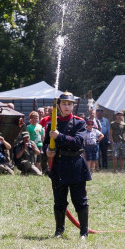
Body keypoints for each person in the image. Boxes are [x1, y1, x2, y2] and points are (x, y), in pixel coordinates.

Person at [44, 92, 92, 239]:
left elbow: (78, 142)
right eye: (64, 103)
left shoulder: (80, 123)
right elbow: (46, 144)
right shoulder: (52, 123)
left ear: (73, 106)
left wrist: (59, 137)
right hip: (59, 165)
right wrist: (48, 151)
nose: (67, 106)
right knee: (59, 201)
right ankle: (59, 231)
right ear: (58, 106)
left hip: (75, 165)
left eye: (69, 104)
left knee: (80, 201)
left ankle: (83, 232)